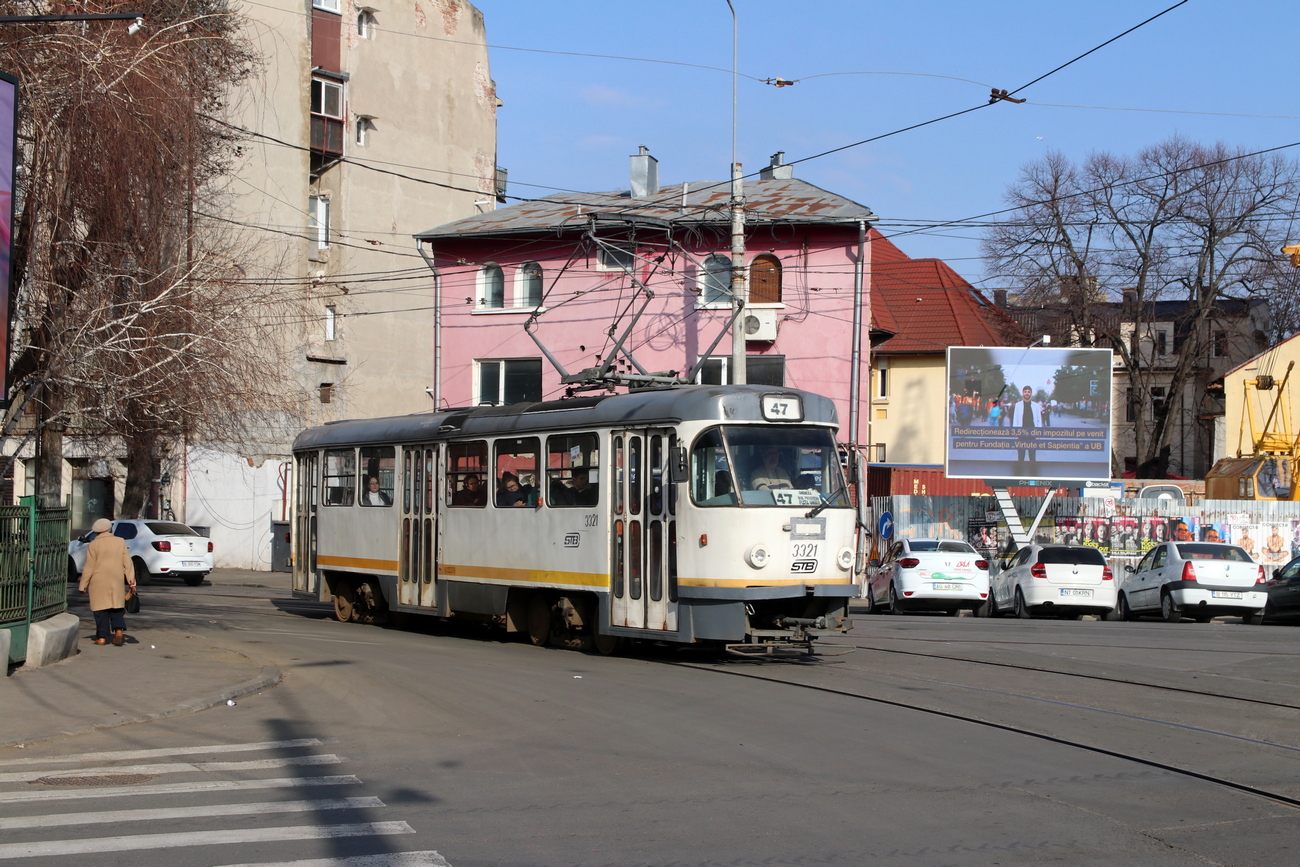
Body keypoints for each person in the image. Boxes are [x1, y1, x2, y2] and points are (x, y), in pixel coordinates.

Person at [78, 518, 135, 647]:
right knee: (116, 607)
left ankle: (102, 638)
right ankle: (118, 631)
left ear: (96, 531)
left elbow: (89, 567)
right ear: (110, 529)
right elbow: (128, 562)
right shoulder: (120, 542)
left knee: (100, 610)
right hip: (116, 579)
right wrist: (131, 581)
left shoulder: (93, 545)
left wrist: (83, 584)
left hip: (98, 581)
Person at [1008, 386, 1045, 462]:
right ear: (1023, 393)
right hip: (1021, 433)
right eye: (1025, 392)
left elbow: (1039, 420)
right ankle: (1019, 472)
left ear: (1031, 393)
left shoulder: (1036, 406)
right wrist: (1016, 434)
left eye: (1028, 392)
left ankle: (1032, 472)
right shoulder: (1018, 405)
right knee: (1021, 455)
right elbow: (1016, 420)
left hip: (1033, 433)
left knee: (1032, 455)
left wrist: (1038, 434)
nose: (1027, 393)